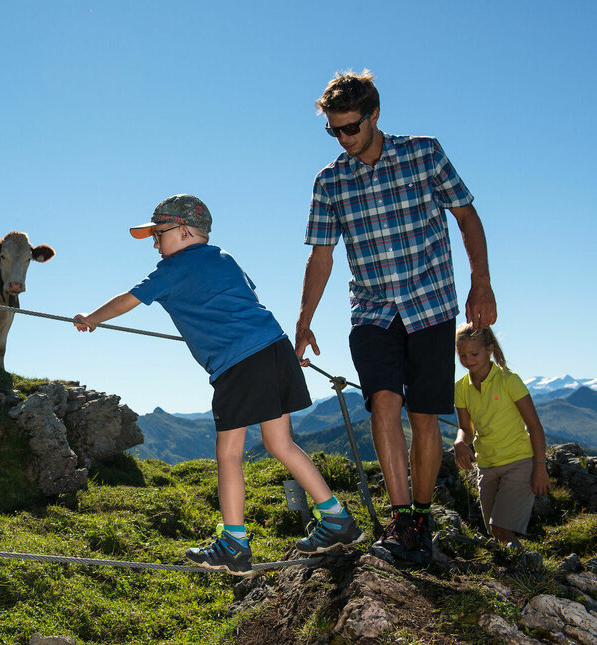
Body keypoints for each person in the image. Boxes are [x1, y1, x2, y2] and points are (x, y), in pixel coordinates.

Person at [73, 194, 365, 576]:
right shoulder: (225, 257)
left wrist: (92, 318)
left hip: (239, 364)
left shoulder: (171, 269)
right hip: (275, 349)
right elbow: (246, 300)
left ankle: (234, 543)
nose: (155, 243)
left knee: (228, 453)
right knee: (281, 444)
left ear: (183, 230)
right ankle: (337, 519)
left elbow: (127, 300)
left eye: (158, 234)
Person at [295, 70, 498, 564]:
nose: (344, 139)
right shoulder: (329, 181)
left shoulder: (424, 153)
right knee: (384, 404)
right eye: (334, 131)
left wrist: (482, 282)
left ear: (374, 115)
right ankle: (402, 521)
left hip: (431, 304)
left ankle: (421, 523)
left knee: (424, 415)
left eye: (351, 127)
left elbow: (466, 216)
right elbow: (321, 255)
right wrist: (304, 320)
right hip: (372, 310)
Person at [453, 323, 550, 545]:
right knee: (496, 532)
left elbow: (534, 426)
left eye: (474, 354)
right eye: (462, 355)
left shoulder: (509, 380)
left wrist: (540, 467)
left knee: (501, 529)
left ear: (489, 349)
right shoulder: (460, 388)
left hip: (519, 463)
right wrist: (459, 443)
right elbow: (466, 429)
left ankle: (525, 566)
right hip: (486, 466)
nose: (468, 360)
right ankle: (520, 564)